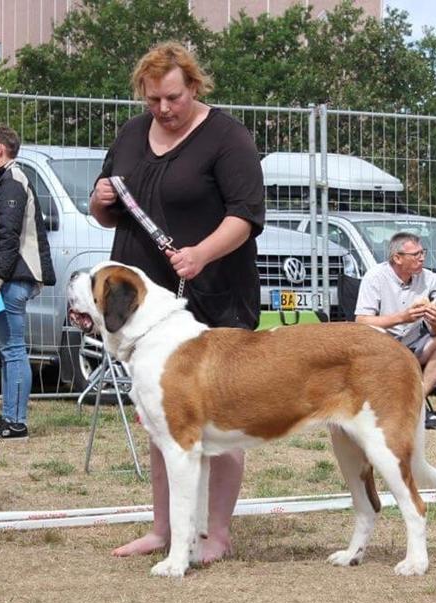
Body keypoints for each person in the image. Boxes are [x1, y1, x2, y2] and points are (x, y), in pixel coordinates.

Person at [90, 41, 264, 563]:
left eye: (172, 98)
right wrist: (99, 205)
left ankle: (217, 535)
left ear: (194, 86)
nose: (163, 110)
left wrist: (200, 255)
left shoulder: (228, 137)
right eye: (152, 101)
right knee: (159, 418)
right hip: (144, 306)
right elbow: (110, 211)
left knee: (222, 422)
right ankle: (164, 531)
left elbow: (247, 214)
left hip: (211, 294)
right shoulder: (129, 135)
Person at [0, 124, 55, 440]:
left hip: (11, 279)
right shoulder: (3, 181)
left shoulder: (12, 182)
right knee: (8, 350)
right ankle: (8, 416)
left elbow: (9, 236)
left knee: (14, 351)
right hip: (4, 280)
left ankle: (17, 421)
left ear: (0, 148)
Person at [354, 231, 436, 398]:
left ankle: (417, 399)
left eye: (423, 252)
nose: (422, 258)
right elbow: (361, 321)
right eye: (416, 254)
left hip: (413, 347)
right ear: (397, 258)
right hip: (382, 349)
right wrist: (403, 317)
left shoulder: (429, 278)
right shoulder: (375, 277)